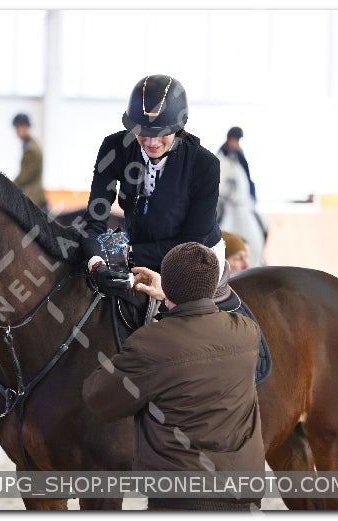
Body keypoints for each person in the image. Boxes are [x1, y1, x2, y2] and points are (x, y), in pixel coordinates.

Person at [82, 242, 265, 511]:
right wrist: (173, 294)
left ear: (168, 285)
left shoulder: (151, 342)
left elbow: (98, 397)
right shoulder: (247, 331)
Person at [80, 74, 224, 296]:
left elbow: (191, 243)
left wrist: (128, 253)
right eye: (142, 133)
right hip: (137, 246)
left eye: (161, 133)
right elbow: (94, 222)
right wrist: (97, 264)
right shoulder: (113, 148)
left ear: (179, 126)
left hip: (194, 256)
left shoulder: (205, 165)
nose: (151, 142)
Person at [216, 127, 267, 268]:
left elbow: (248, 179)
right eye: (233, 140)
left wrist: (252, 199)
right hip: (222, 200)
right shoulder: (221, 155)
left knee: (264, 225)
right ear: (229, 138)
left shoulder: (240, 155)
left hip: (245, 201)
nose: (235, 143)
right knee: (212, 221)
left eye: (237, 140)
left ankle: (262, 254)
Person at [12, 113, 47, 210]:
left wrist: (10, 185)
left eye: (19, 128)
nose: (17, 131)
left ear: (27, 127)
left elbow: (26, 175)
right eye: (17, 128)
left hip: (33, 196)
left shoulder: (31, 149)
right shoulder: (28, 144)